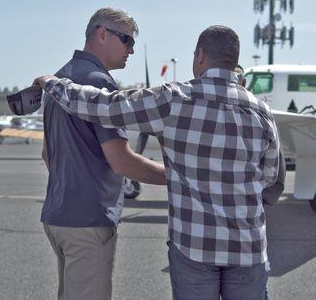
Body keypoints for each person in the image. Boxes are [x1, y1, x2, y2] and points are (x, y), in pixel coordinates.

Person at [35, 25, 280, 300]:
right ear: (234, 61)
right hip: (248, 248)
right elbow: (270, 176)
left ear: (200, 56)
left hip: (194, 247)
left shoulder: (175, 99)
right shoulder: (262, 111)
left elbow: (106, 106)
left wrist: (54, 84)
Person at [40, 7, 166, 300]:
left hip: (58, 216)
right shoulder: (99, 82)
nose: (131, 51)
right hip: (87, 220)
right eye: (126, 40)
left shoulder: (58, 80)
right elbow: (121, 161)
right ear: (101, 34)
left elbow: (47, 154)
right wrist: (176, 177)